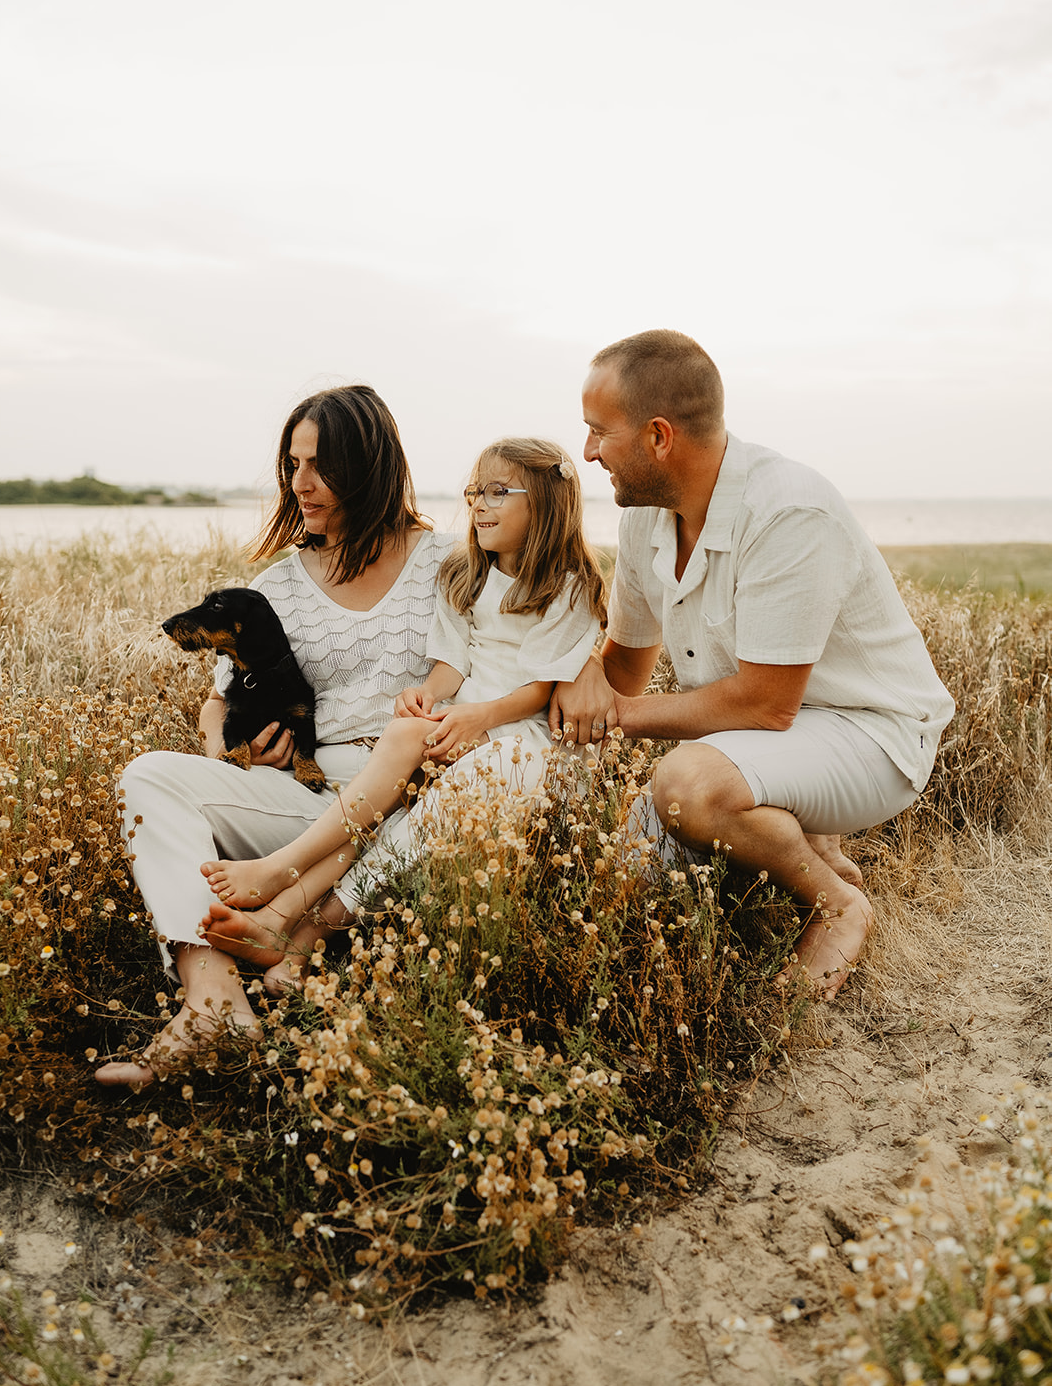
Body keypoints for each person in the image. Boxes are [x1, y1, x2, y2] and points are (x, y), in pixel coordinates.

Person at [550, 329, 954, 1000]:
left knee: (686, 786)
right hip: (770, 742)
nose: (588, 451)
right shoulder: (646, 516)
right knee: (618, 878)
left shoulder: (788, 509)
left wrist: (616, 715)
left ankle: (837, 904)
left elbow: (766, 703)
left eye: (598, 431)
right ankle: (809, 844)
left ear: (658, 436)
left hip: (871, 734)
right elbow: (623, 663)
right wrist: (571, 686)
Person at [95, 385, 455, 1088]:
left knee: (450, 788)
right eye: (293, 464)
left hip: (419, 802)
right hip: (307, 803)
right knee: (147, 776)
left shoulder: (450, 564)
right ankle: (213, 1003)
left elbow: (518, 651)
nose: (301, 483)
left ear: (371, 466)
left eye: (321, 465)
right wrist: (230, 755)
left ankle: (292, 927)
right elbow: (216, 703)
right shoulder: (278, 587)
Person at [199, 436, 607, 990]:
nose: (478, 505)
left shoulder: (568, 585)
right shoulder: (468, 573)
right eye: (473, 492)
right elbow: (452, 663)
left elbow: (540, 688)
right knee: (396, 751)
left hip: (523, 738)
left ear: (547, 504)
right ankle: (280, 900)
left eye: (496, 492)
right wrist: (426, 696)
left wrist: (477, 719)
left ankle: (298, 934)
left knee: (408, 820)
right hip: (466, 720)